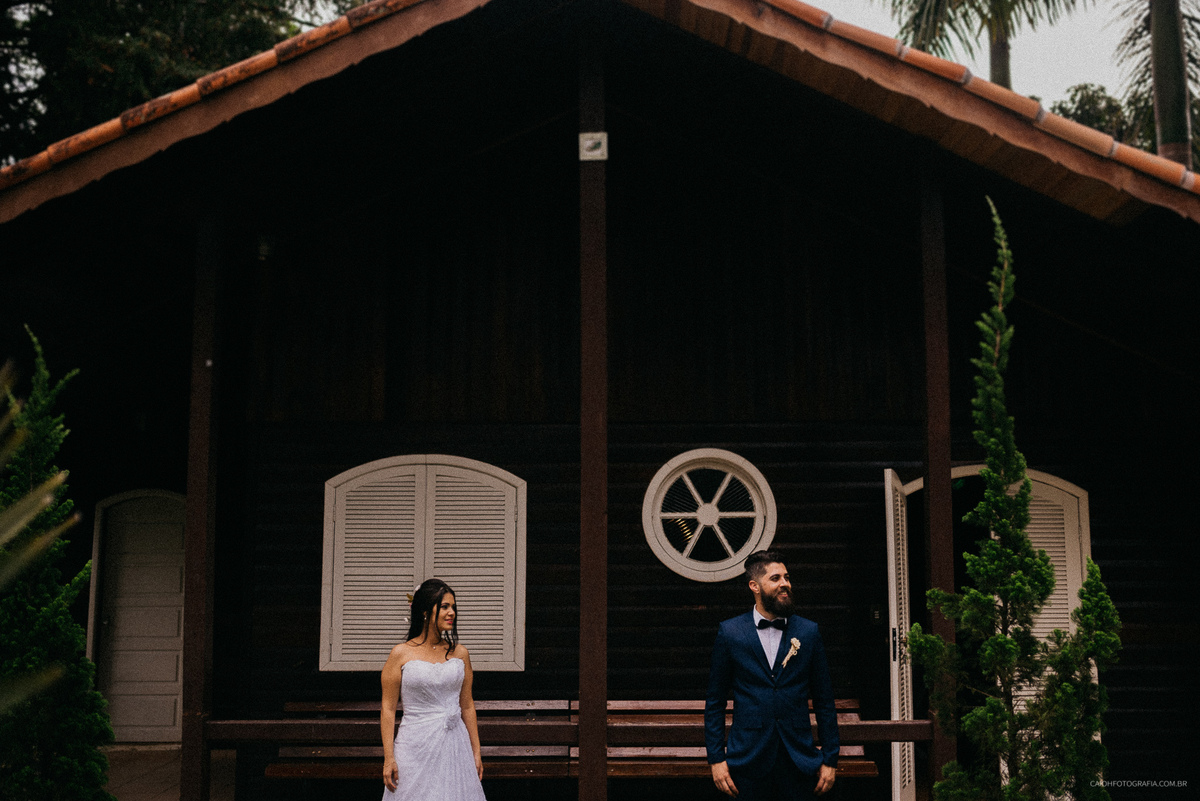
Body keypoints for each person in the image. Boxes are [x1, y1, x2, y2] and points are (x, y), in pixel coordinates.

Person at [705, 550, 839, 799]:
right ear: (754, 586)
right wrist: (716, 759)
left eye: (786, 577)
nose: (785, 583)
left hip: (799, 759)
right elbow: (715, 702)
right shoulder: (731, 632)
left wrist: (830, 759)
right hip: (747, 759)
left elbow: (824, 701)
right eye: (775, 578)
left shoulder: (808, 632)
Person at [380, 578, 486, 801]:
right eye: (445, 606)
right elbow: (388, 708)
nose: (452, 613)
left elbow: (467, 705)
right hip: (414, 745)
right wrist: (389, 757)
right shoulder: (400, 654)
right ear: (426, 612)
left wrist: (476, 751)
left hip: (454, 745)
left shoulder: (460, 654)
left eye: (453, 607)